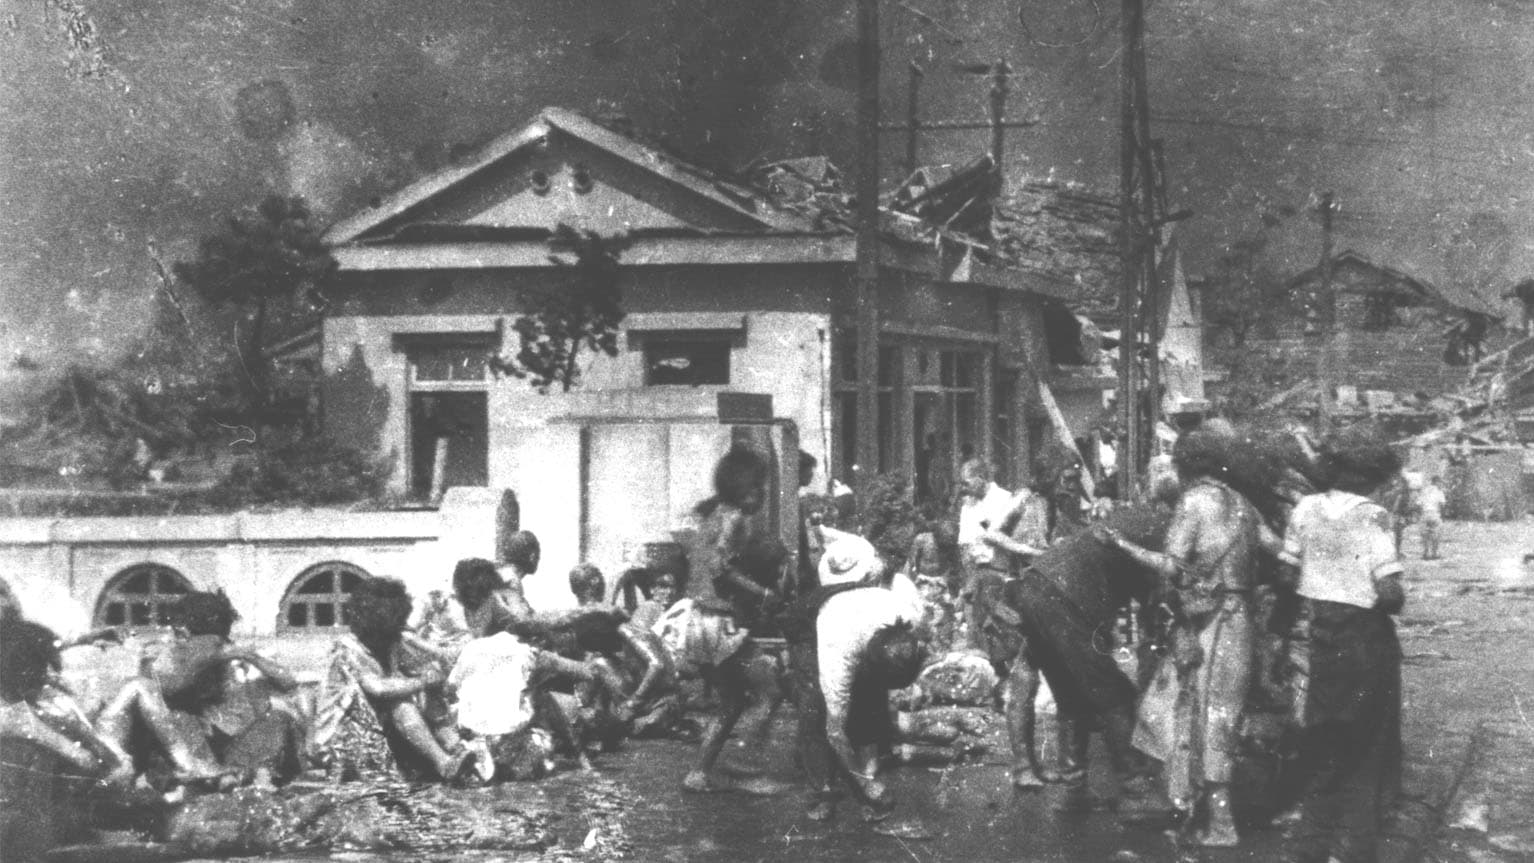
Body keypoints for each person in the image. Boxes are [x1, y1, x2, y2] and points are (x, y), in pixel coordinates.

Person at [1099, 427, 1284, 847]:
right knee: (1219, 716)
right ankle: (1199, 814)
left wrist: (1123, 546)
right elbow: (1282, 552)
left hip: (1207, 624)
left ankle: (1219, 823)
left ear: (1186, 466)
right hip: (1241, 622)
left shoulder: (1195, 501)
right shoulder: (1243, 504)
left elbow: (1171, 567)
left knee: (1191, 716)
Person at [1280, 427, 1406, 863]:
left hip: (1322, 639)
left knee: (1325, 744)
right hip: (1366, 640)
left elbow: (1286, 576)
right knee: (1367, 748)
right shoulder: (1373, 516)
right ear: (1372, 475)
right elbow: (1389, 593)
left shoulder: (1305, 508)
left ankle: (1308, 845)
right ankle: (1354, 850)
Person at [663, 444, 786, 792]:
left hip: (696, 618)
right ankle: (743, 767)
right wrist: (762, 593)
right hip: (718, 622)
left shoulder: (713, 514)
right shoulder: (734, 518)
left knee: (731, 702)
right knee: (769, 692)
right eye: (758, 486)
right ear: (744, 489)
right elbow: (719, 568)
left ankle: (699, 772)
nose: (762, 494)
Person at [781, 561, 925, 823]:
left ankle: (864, 789)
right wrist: (864, 782)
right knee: (816, 710)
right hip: (808, 623)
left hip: (857, 610)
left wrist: (869, 779)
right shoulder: (839, 648)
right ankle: (822, 793)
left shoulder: (911, 619)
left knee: (869, 704)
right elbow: (835, 731)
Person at [313, 577, 471, 782]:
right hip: (341, 741)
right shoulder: (346, 650)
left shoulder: (390, 640)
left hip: (376, 731)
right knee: (400, 701)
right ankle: (443, 763)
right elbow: (378, 688)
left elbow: (438, 658)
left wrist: (432, 676)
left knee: (425, 681)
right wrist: (422, 681)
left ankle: (456, 747)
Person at [955, 458, 1052, 790]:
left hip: (1038, 592)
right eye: (1066, 476)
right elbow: (994, 537)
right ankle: (1023, 765)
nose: (1071, 482)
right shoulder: (1022, 498)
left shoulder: (1051, 502)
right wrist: (1030, 552)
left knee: (1035, 678)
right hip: (1009, 589)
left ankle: (1034, 762)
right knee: (1021, 675)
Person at [1417, 476, 1447, 560]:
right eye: (1440, 482)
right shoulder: (1439, 492)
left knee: (1425, 534)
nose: (1441, 484)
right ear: (1437, 482)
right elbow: (1442, 504)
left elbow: (1418, 504)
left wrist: (1420, 514)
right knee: (1436, 534)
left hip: (1425, 513)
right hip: (1435, 514)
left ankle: (1426, 553)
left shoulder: (1424, 491)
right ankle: (1434, 553)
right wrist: (1443, 516)